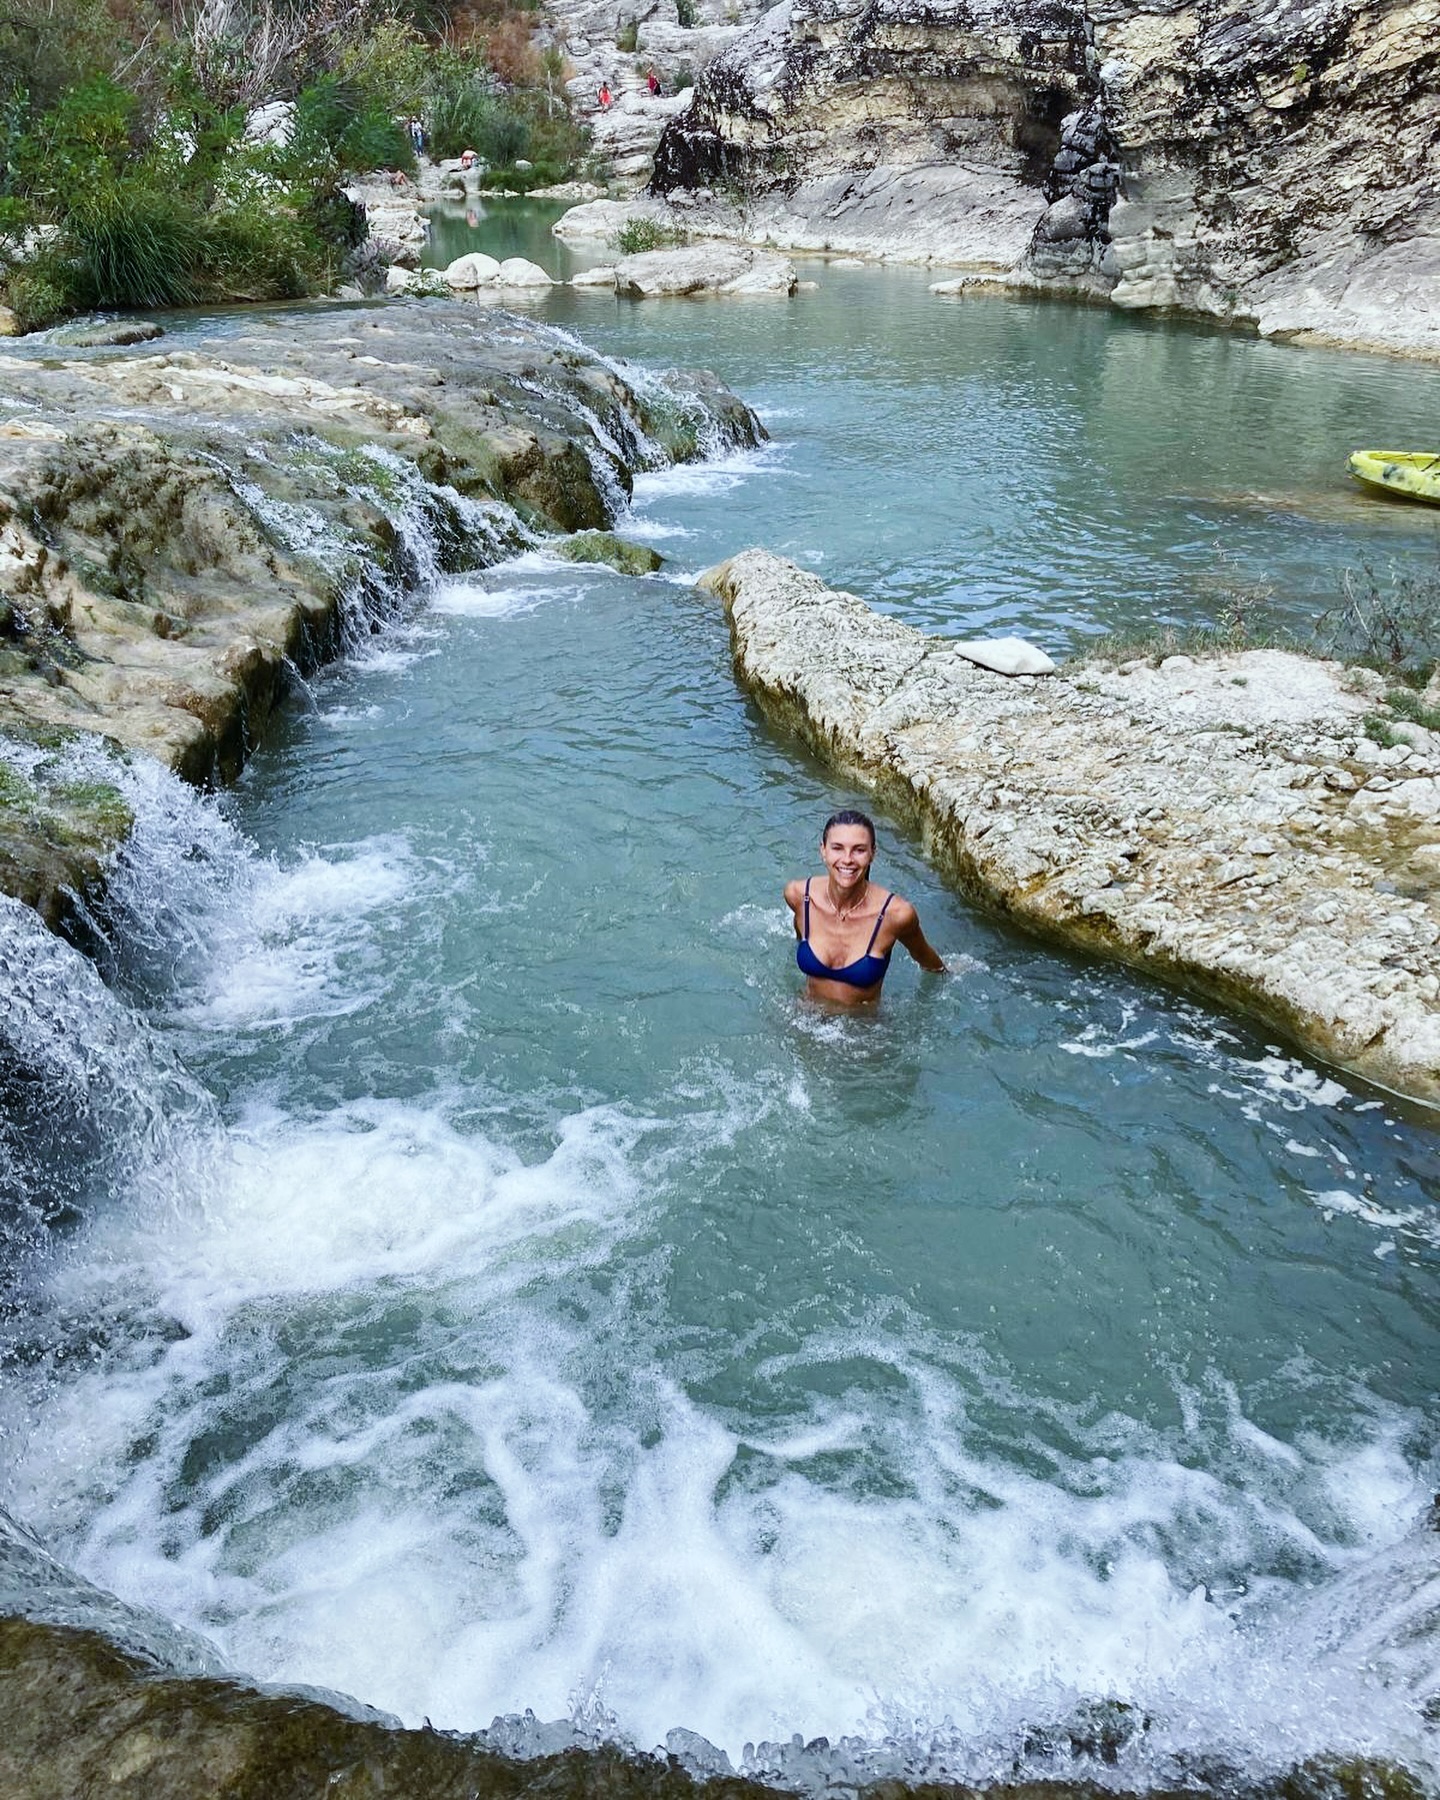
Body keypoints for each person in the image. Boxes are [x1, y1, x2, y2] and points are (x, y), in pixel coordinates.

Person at [785, 809, 945, 1005]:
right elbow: (799, 938)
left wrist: (951, 974)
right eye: (837, 848)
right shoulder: (800, 896)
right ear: (823, 850)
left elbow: (926, 959)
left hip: (863, 1030)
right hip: (804, 1017)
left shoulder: (896, 914)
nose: (847, 859)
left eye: (859, 850)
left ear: (872, 854)